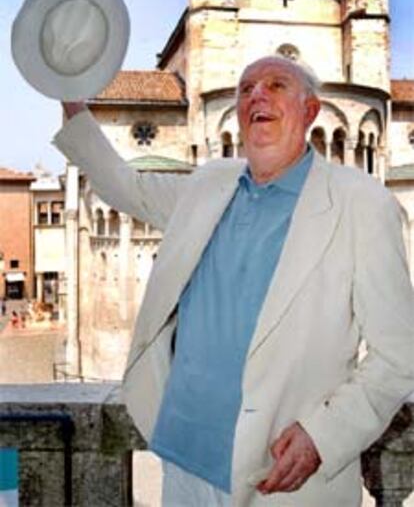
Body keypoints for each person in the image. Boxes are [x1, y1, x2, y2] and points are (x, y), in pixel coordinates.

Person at [54, 55, 414, 506]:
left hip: (282, 474)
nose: (257, 95)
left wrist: (324, 436)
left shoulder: (360, 203)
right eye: (246, 89)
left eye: (276, 85)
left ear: (311, 112)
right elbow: (127, 187)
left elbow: (400, 353)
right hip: (185, 461)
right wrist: (70, 99)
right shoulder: (209, 184)